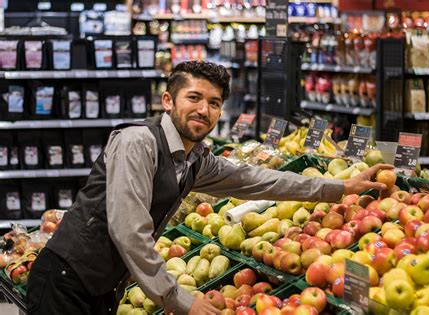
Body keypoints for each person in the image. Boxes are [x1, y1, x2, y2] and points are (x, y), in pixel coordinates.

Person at [26, 61, 392, 315]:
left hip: (104, 286)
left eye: (214, 103)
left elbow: (258, 179)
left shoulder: (195, 159)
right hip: (65, 281)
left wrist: (341, 187)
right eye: (194, 98)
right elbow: (128, 230)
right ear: (168, 101)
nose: (204, 110)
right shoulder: (138, 142)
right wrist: (179, 299)